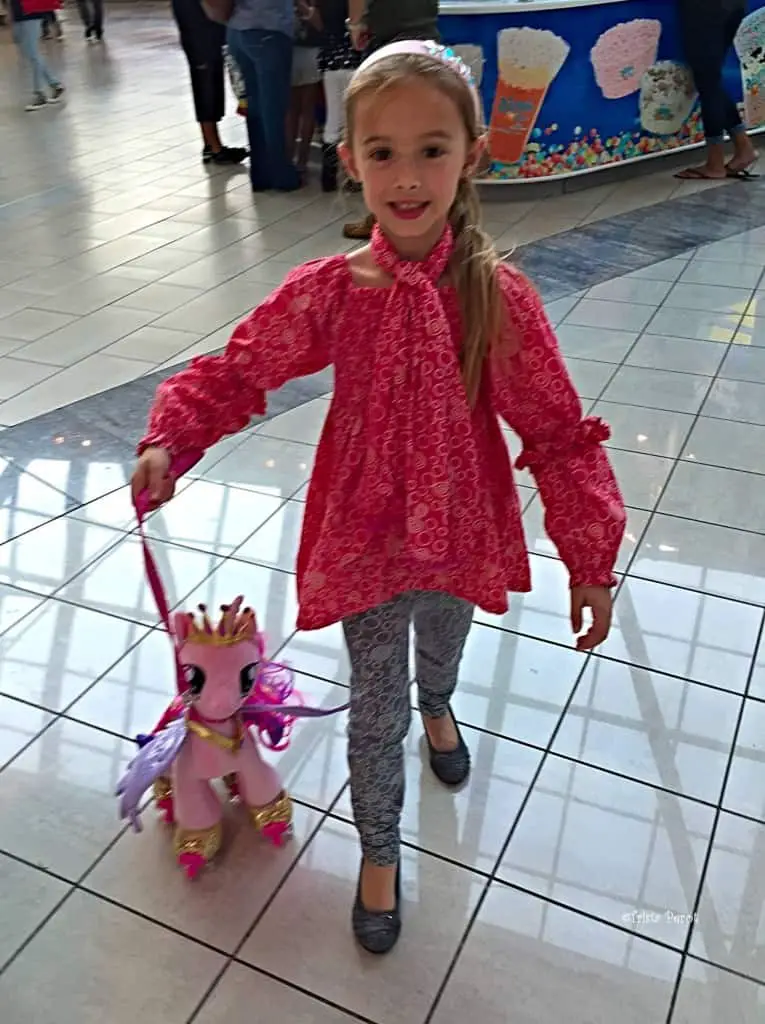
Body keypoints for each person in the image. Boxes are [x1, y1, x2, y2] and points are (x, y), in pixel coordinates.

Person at [131, 40, 625, 955]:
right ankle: (379, 853)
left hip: (462, 528)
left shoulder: (497, 296)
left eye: (430, 149)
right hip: (363, 530)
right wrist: (174, 435)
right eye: (384, 152)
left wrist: (590, 557)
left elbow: (556, 431)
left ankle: (442, 705)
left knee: (439, 650)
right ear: (350, 158)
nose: (406, 177)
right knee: (373, 700)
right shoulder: (328, 292)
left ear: (471, 153)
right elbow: (243, 369)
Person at [343, 0, 439, 237]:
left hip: (390, 45)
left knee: (385, 134)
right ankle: (442, 215)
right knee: (430, 138)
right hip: (428, 43)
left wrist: (355, 25)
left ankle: (380, 220)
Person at [675, 0, 757, 180]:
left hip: (706, 9)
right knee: (710, 79)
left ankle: (715, 163)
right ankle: (743, 148)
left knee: (708, 81)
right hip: (734, 5)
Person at [227, 0, 301, 192]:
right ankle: (281, 175)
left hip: (238, 29)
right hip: (268, 30)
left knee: (256, 105)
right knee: (273, 108)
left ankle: (261, 174)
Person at [171, 0, 248, 166]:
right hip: (199, 30)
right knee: (205, 85)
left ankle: (211, 143)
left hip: (209, 27)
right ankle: (214, 147)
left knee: (212, 84)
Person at [317, 0, 361, 192]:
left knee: (333, 119)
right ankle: (351, 176)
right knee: (353, 120)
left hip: (330, 60)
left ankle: (328, 176)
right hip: (354, 60)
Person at [288, 1, 323, 183]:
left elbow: (319, 23)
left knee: (302, 108)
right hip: (295, 50)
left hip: (306, 50)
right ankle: (293, 159)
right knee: (296, 109)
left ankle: (299, 159)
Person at [9, 0, 64, 111]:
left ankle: (39, 93)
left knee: (33, 53)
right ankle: (54, 84)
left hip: (31, 13)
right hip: (18, 13)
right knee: (29, 52)